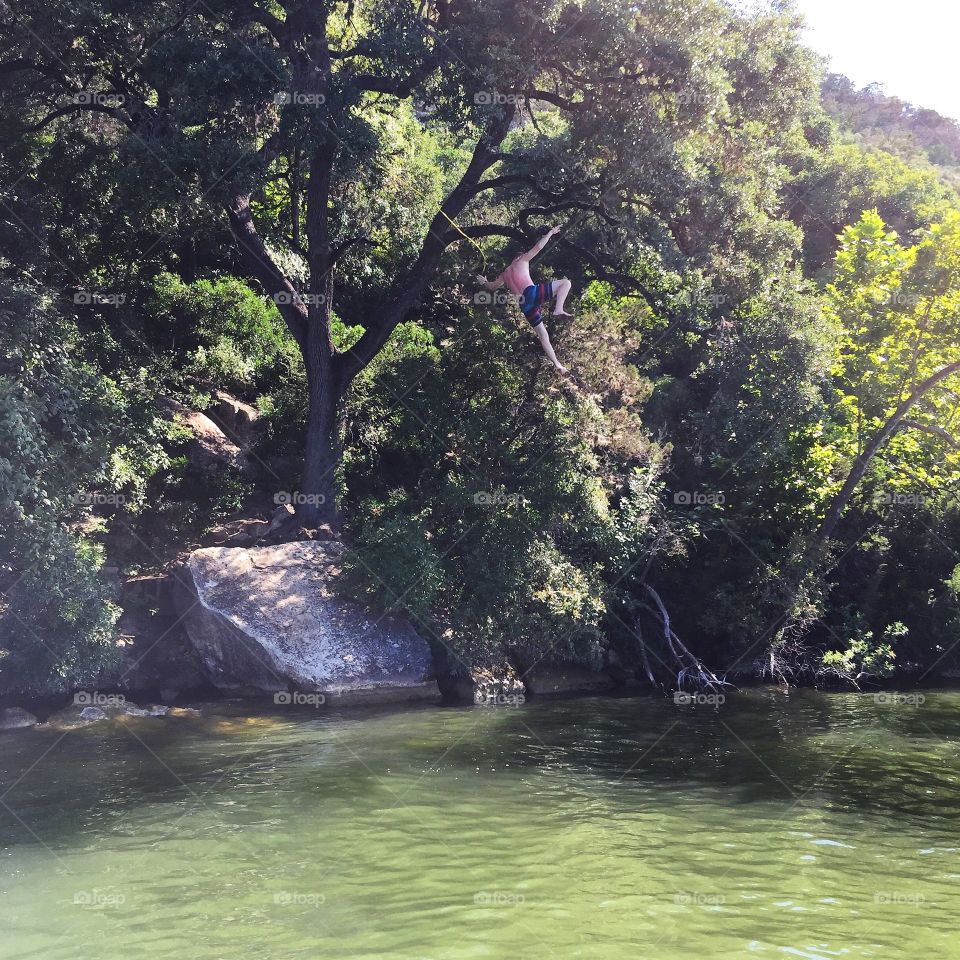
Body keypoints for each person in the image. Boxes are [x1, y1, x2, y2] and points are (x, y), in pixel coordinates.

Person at [476, 225, 572, 374]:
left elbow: (492, 287)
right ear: (519, 256)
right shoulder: (522, 260)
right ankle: (558, 308)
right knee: (566, 283)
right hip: (530, 293)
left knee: (542, 336)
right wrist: (551, 233)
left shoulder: (504, 275)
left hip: (524, 305)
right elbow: (538, 247)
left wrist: (483, 281)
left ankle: (558, 365)